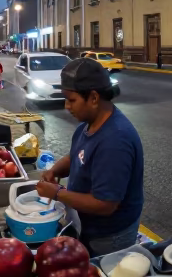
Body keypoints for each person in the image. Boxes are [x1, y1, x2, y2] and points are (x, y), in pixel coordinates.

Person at [37, 58, 144, 257]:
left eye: (72, 100)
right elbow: (77, 156)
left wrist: (57, 193)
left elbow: (105, 204)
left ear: (93, 98)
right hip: (85, 225)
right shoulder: (88, 124)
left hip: (109, 237)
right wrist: (55, 170)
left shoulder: (115, 140)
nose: (67, 106)